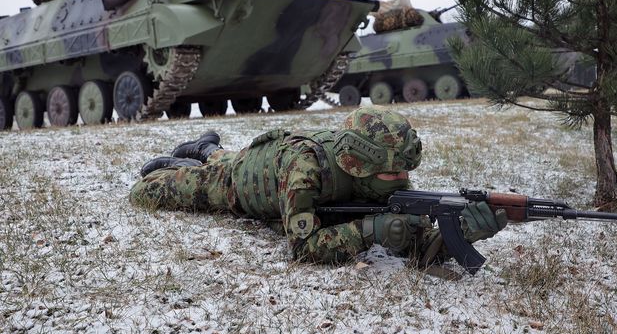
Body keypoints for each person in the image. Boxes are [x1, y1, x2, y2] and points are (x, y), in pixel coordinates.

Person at [129, 106, 507, 265]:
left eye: (402, 175)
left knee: (221, 156)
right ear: (360, 166)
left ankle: (207, 148)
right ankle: (186, 161)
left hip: (271, 167)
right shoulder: (306, 168)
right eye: (389, 177)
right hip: (244, 180)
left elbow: (420, 244)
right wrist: (369, 230)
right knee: (154, 190)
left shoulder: (384, 170)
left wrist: (464, 233)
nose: (400, 184)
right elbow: (302, 247)